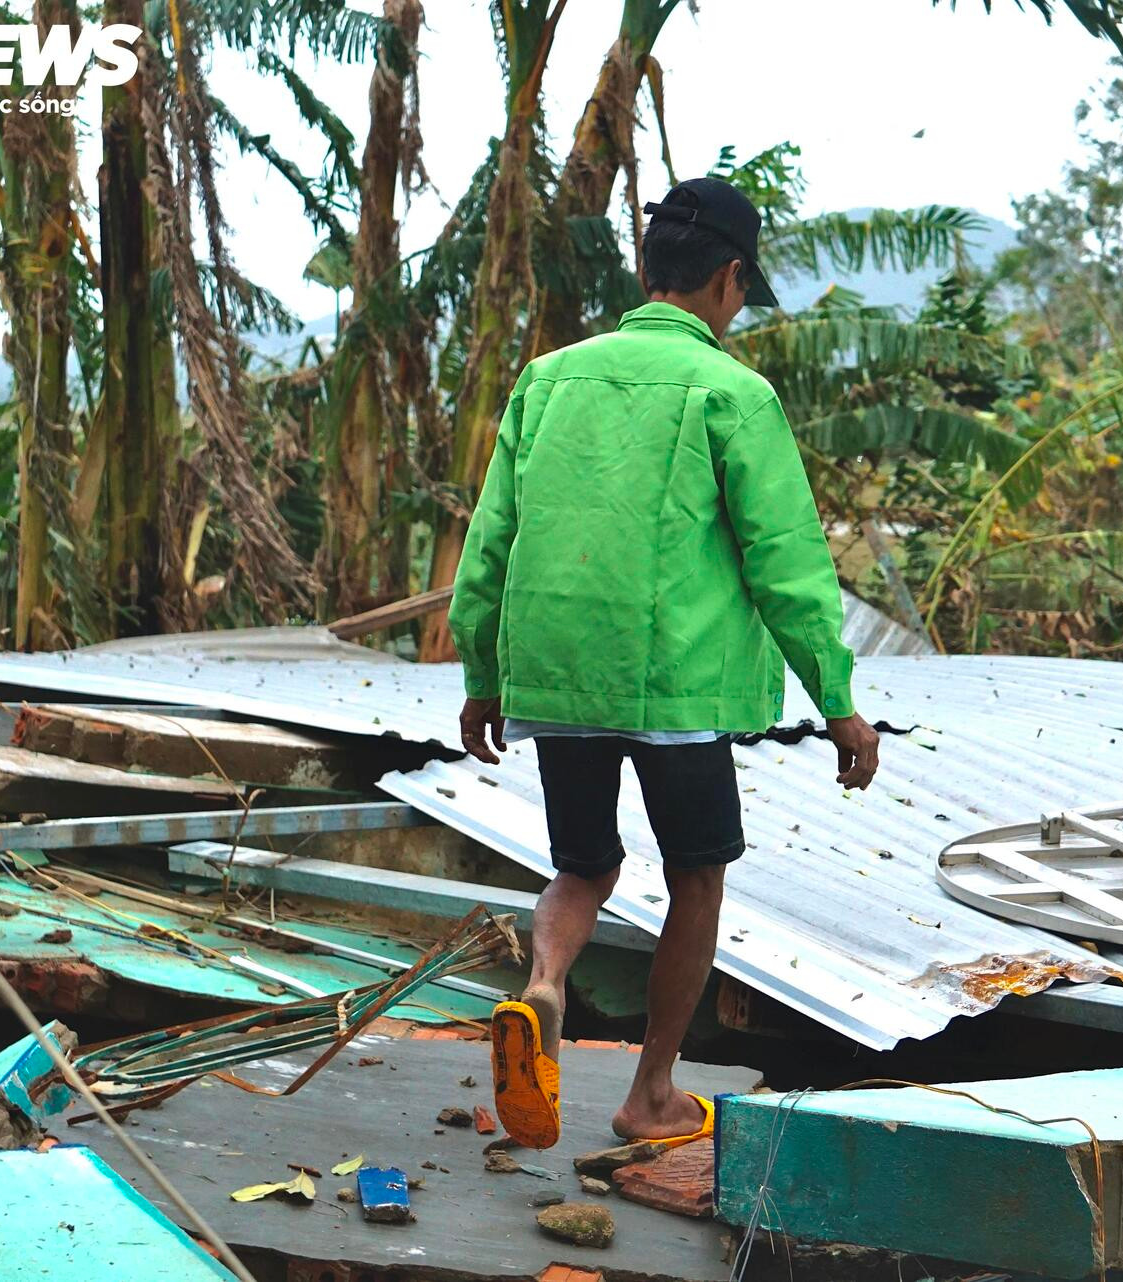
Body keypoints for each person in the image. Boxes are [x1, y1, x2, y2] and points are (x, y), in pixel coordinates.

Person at [448, 176, 881, 1151]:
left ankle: (543, 987)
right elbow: (789, 564)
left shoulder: (549, 378)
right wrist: (841, 702)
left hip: (556, 673)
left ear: (647, 270)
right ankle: (650, 1093)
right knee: (697, 875)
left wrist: (484, 672)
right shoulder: (732, 391)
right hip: (674, 681)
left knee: (582, 863)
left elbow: (491, 546)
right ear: (730, 280)